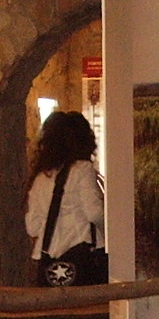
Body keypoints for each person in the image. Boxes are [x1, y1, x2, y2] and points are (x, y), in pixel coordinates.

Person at [25, 109, 106, 285]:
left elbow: (32, 227)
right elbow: (94, 213)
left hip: (48, 262)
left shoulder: (40, 178)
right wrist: (108, 230)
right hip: (83, 256)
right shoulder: (82, 170)